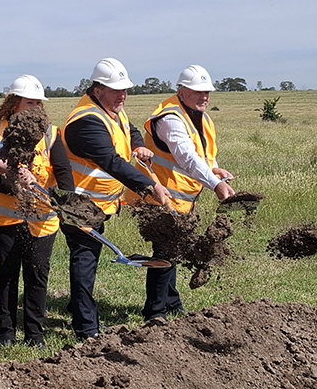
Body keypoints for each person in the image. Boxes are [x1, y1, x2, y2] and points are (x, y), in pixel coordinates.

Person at [60, 58, 171, 341]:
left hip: (98, 205)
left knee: (89, 258)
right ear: (97, 90)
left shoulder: (111, 110)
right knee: (84, 260)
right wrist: (150, 185)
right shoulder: (85, 121)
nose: (123, 95)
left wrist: (138, 145)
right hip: (79, 204)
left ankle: (77, 306)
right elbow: (111, 161)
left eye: (125, 90)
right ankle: (87, 330)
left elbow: (130, 128)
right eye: (116, 90)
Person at [0, 75, 71, 347]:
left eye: (38, 103)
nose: (35, 108)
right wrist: (16, 185)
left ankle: (34, 335)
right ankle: (6, 332)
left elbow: (64, 174)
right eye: (29, 102)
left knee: (37, 274)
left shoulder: (51, 133)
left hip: (41, 219)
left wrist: (56, 197)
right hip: (1, 218)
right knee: (6, 275)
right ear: (14, 103)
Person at [137, 64, 236, 319]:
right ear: (181, 91)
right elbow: (186, 156)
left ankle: (171, 303)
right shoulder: (171, 119)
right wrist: (215, 185)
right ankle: (155, 312)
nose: (204, 97)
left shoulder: (200, 116)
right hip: (161, 196)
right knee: (165, 253)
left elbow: (202, 155)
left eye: (207, 92)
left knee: (174, 250)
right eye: (198, 92)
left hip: (181, 200)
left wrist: (214, 169)